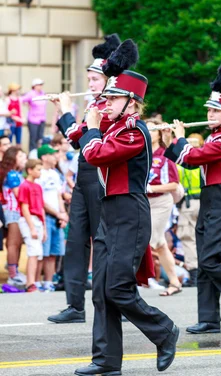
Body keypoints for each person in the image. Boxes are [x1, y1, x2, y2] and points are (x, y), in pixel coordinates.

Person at [72, 39, 178, 376]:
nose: (105, 104)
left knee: (117, 286)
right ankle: (106, 361)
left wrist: (90, 126)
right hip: (109, 213)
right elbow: (79, 138)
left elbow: (94, 154)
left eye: (113, 99)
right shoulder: (113, 126)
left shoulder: (134, 132)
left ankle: (163, 331)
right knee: (102, 291)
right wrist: (84, 122)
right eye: (105, 98)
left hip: (130, 213)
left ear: (132, 105)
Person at [164, 59, 221, 335]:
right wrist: (172, 139)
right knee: (206, 263)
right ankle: (209, 319)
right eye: (209, 109)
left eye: (216, 111)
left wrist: (180, 139)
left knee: (207, 259)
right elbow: (187, 157)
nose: (210, 113)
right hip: (210, 200)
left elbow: (192, 159)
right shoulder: (215, 136)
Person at [50, 34, 121, 324]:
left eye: (94, 79)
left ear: (107, 80)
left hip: (101, 178)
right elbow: (77, 140)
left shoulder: (109, 107)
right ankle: (74, 305)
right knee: (76, 241)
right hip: (84, 176)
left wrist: (66, 113)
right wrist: (62, 112)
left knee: (104, 241)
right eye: (89, 79)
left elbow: (79, 136)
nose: (90, 85)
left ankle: (117, 302)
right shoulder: (95, 104)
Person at [145, 118, 183, 296]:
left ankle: (133, 281)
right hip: (144, 202)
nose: (149, 132)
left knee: (148, 240)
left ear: (159, 134)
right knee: (160, 244)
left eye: (153, 130)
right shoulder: (141, 154)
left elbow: (174, 184)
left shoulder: (164, 154)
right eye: (147, 129)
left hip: (160, 201)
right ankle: (174, 282)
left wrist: (150, 187)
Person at [36, 144, 68, 292]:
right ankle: (36, 282)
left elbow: (58, 196)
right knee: (43, 252)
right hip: (44, 216)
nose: (55, 156)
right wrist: (57, 213)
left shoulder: (55, 174)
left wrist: (63, 214)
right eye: (51, 154)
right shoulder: (39, 174)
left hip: (57, 217)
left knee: (53, 253)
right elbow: (40, 199)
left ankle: (48, 282)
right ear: (44, 157)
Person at [177, 133, 203, 287]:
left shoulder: (183, 164)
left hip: (188, 204)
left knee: (188, 238)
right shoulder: (204, 161)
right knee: (203, 238)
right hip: (204, 202)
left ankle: (195, 273)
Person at [17, 159, 46, 293]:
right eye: (38, 169)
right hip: (29, 220)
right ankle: (30, 283)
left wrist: (44, 228)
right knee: (33, 251)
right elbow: (25, 208)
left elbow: (41, 208)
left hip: (38, 220)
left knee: (38, 253)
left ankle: (34, 281)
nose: (40, 172)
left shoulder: (38, 187)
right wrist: (32, 227)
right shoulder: (25, 186)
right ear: (30, 170)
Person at [1, 147, 28, 286]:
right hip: (12, 211)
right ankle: (13, 274)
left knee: (16, 243)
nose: (25, 159)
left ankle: (14, 270)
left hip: (16, 211)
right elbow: (19, 195)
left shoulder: (16, 174)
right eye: (22, 157)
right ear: (13, 158)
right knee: (13, 243)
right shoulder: (12, 175)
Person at [21, 79, 48, 152]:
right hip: (33, 119)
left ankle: (39, 153)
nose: (40, 86)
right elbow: (21, 100)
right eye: (38, 85)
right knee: (33, 138)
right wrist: (27, 104)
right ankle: (32, 154)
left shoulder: (43, 93)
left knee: (40, 138)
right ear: (34, 86)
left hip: (42, 119)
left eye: (41, 85)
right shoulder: (31, 94)